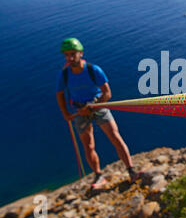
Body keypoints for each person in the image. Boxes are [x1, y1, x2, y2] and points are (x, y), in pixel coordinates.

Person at [56, 38, 139, 188]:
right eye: (67, 55)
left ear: (81, 53)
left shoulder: (93, 70)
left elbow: (107, 93)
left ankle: (131, 170)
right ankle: (98, 175)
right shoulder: (64, 74)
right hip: (80, 110)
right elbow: (60, 94)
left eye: (73, 54)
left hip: (97, 106)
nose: (69, 58)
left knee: (115, 136)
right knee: (88, 146)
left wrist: (92, 106)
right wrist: (66, 113)